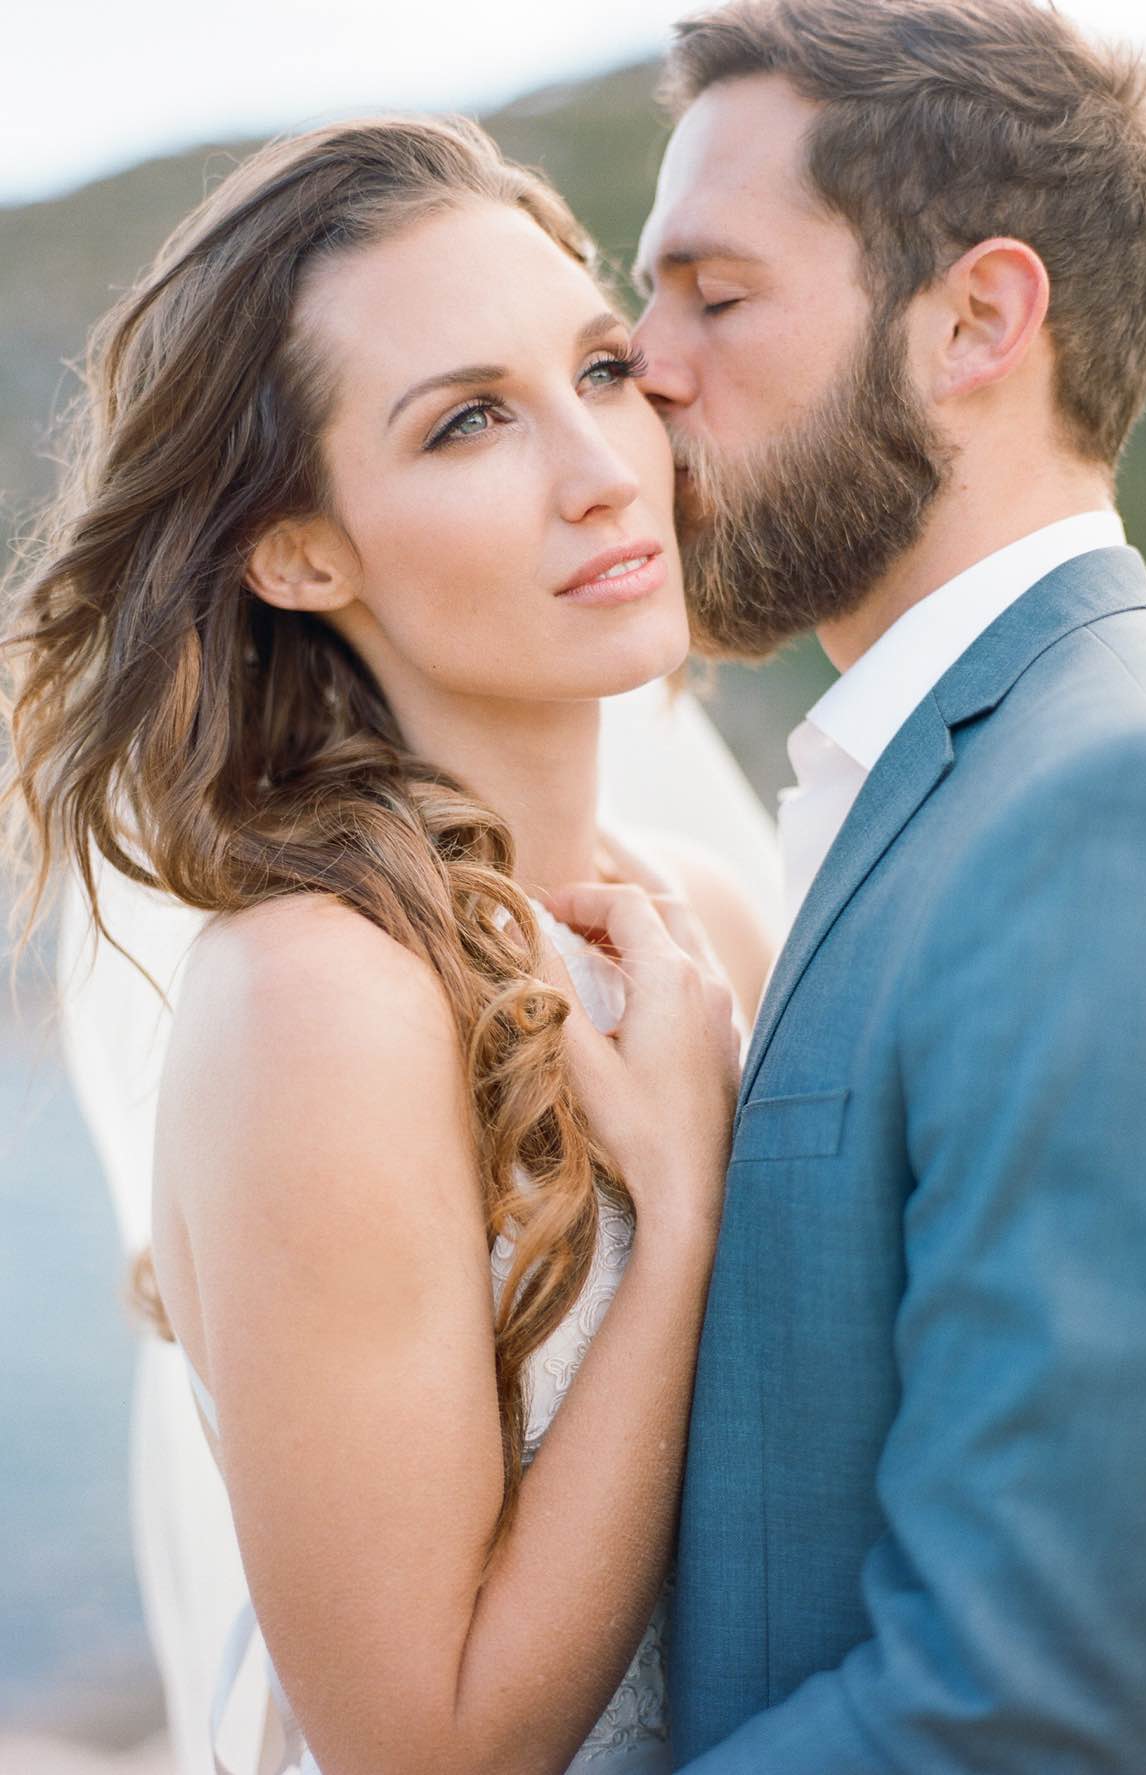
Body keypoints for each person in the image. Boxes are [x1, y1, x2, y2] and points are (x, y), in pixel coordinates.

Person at [1, 115, 771, 1775]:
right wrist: (686, 1210)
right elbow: (424, 1751)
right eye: (471, 421)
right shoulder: (321, 996)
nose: (598, 467)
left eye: (605, 368)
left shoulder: (707, 919)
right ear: (299, 550)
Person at [618, 0, 1146, 1769]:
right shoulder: (953, 779)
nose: (642, 365)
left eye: (715, 291)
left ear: (978, 318)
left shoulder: (1135, 796)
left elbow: (1029, 1704)